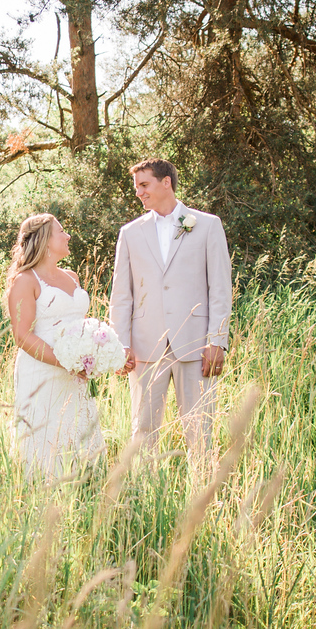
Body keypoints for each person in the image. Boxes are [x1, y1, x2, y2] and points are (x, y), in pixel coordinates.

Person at [110, 159, 233, 460]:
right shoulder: (130, 232)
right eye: (136, 186)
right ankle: (141, 497)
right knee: (142, 431)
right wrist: (120, 343)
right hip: (144, 347)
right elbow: (121, 294)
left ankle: (204, 493)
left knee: (200, 429)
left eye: (144, 185)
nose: (138, 192)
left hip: (196, 344)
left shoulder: (207, 225)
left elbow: (219, 288)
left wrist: (217, 340)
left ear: (166, 183)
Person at [6, 213, 102, 480]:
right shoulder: (26, 280)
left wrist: (93, 352)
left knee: (78, 428)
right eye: (61, 231)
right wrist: (65, 362)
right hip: (42, 371)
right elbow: (22, 335)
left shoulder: (72, 276)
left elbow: (80, 323)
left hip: (77, 373)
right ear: (47, 240)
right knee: (45, 436)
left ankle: (84, 485)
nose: (68, 235)